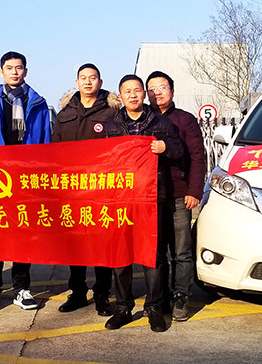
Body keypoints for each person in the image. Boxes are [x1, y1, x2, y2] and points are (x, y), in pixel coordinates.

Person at [103, 74, 183, 333]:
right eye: (127, 91)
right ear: (120, 96)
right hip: (120, 199)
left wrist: (165, 147)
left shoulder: (161, 123)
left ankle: (154, 307)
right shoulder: (111, 127)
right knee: (120, 254)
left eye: (137, 90)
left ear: (143, 94)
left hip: (151, 198)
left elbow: (180, 151)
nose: (133, 95)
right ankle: (123, 307)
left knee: (153, 255)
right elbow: (100, 161)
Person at [0, 51, 50, 312]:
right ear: (1, 72)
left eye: (18, 68)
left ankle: (21, 288)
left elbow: (45, 141)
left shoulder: (38, 103)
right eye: (9, 68)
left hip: (26, 176)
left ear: (25, 71)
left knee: (23, 233)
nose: (14, 72)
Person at [51, 63, 120, 316]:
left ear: (100, 82)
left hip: (101, 189)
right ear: (77, 82)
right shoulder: (64, 114)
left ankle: (102, 294)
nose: (88, 82)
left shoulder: (113, 112)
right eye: (83, 78)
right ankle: (78, 292)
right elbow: (55, 150)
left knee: (102, 244)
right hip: (72, 190)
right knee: (76, 244)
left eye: (92, 78)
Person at [146, 71, 206, 322]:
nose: (157, 92)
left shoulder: (185, 120)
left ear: (172, 90)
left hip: (180, 195)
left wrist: (194, 191)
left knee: (181, 252)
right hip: (150, 197)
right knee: (156, 251)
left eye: (162, 87)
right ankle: (159, 298)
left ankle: (181, 295)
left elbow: (197, 156)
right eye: (152, 88)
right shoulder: (143, 120)